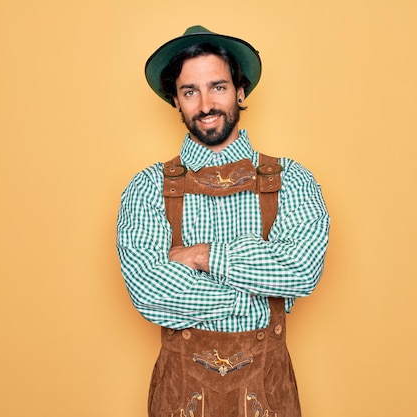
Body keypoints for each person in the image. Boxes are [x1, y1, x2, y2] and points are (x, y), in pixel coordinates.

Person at [116, 25, 330, 417]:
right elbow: (147, 291)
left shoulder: (292, 179)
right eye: (190, 92)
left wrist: (201, 257)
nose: (205, 105)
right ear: (176, 102)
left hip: (268, 394)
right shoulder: (147, 188)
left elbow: (301, 270)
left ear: (240, 90)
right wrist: (253, 292)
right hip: (179, 397)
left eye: (218, 87)